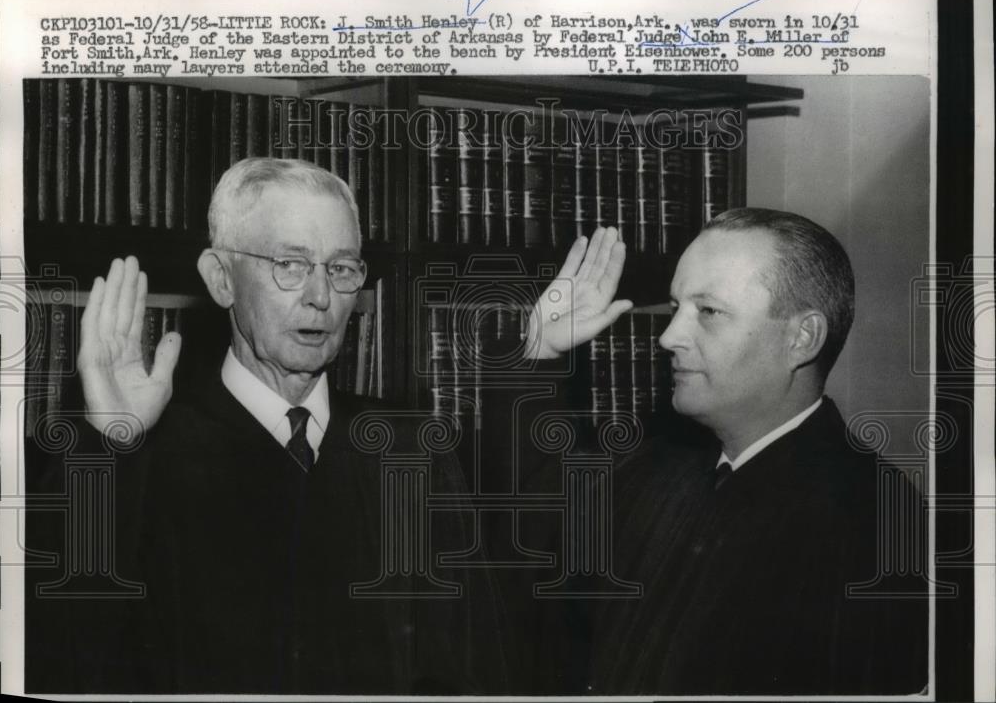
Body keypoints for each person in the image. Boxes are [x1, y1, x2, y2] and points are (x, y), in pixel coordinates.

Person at [73, 157, 632, 694]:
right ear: (222, 279)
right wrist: (110, 450)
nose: (320, 298)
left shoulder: (409, 451)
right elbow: (74, 654)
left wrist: (534, 355)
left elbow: (485, 652)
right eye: (288, 265)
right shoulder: (149, 453)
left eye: (340, 269)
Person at [534, 207, 928, 695]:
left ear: (801, 338)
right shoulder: (655, 467)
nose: (668, 336)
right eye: (676, 306)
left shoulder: (874, 522)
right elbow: (530, 526)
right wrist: (541, 351)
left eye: (709, 311)